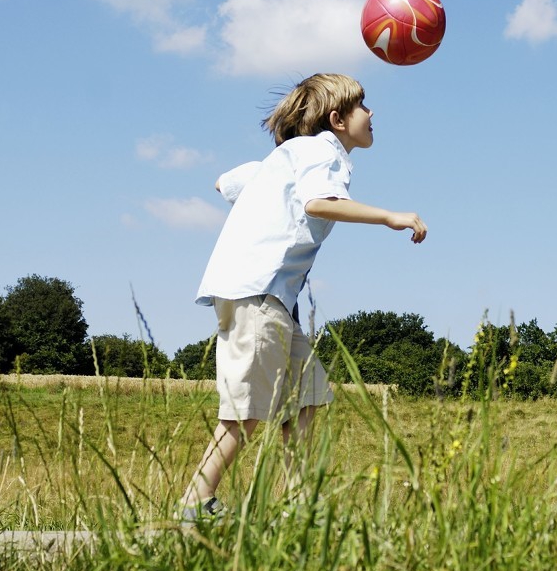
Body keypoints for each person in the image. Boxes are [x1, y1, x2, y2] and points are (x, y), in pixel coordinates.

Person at [179, 73, 427, 522]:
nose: (372, 114)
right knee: (246, 411)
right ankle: (196, 500)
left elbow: (223, 183)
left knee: (307, 399)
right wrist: (390, 216)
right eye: (363, 107)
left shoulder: (286, 157)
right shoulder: (321, 151)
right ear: (337, 119)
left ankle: (299, 506)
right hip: (257, 292)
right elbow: (318, 202)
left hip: (265, 298)